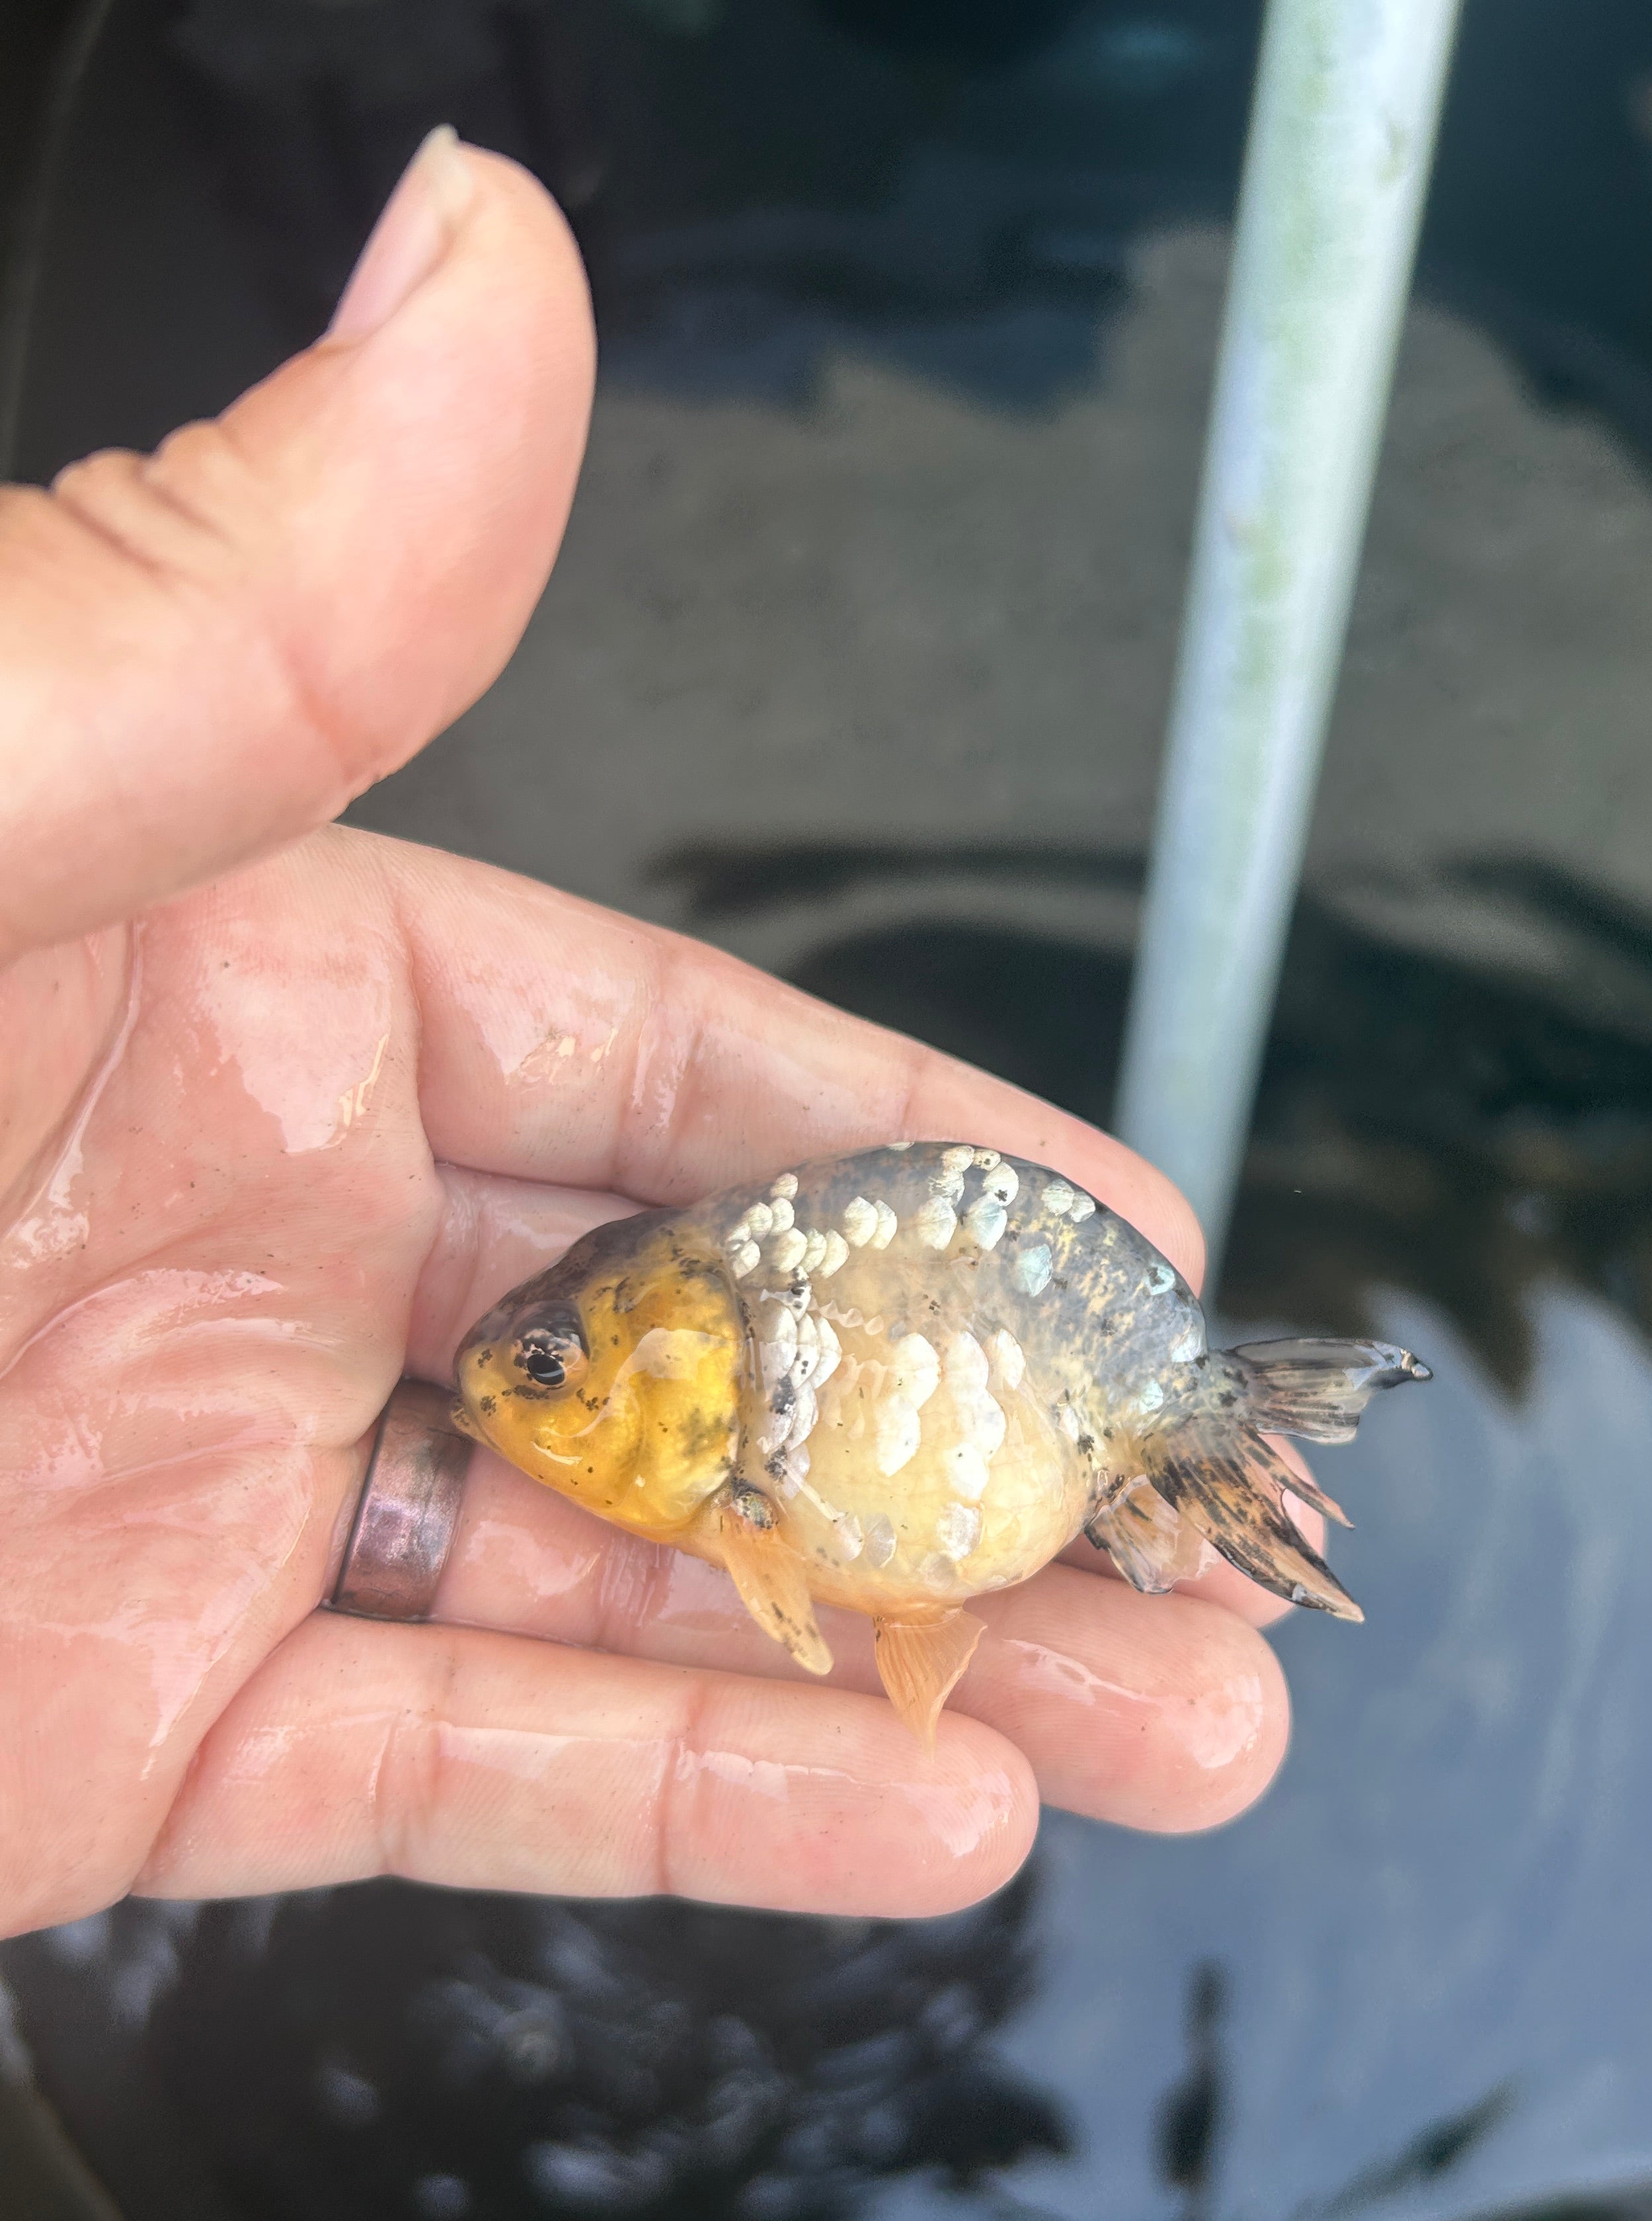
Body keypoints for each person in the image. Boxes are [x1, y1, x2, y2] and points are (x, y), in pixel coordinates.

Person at [0, 134, 1301, 1942]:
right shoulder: (711, 1410)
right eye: (542, 1376)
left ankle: (1207, 1430)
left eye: (549, 1376)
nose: (512, 1394)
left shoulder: (741, 1421)